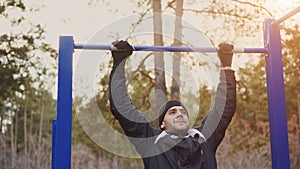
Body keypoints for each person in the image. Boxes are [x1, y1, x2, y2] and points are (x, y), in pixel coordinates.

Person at [109, 40, 236, 169]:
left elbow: (225, 108)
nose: (180, 114)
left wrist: (226, 65)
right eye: (172, 112)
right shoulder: (151, 143)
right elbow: (122, 108)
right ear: (162, 124)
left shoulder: (204, 138)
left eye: (183, 112)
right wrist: (119, 61)